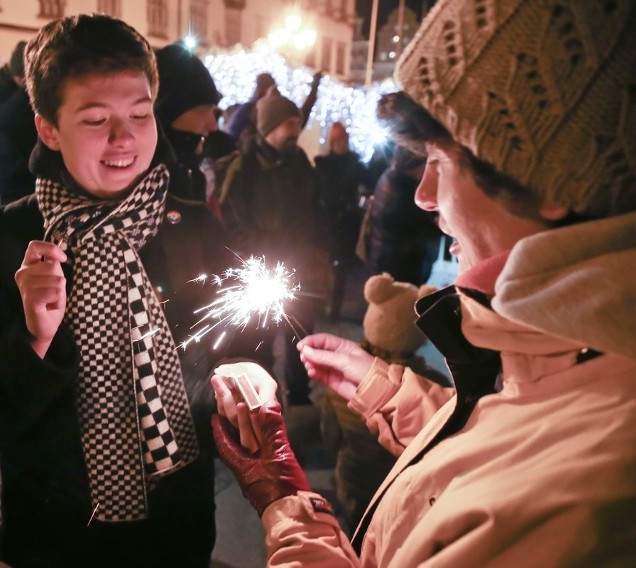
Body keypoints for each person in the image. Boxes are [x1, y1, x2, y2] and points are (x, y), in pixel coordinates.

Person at [211, 0, 636, 565]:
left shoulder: (575, 498)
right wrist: (385, 390)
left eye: (442, 159)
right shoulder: (567, 356)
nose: (423, 194)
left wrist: (284, 496)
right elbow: (496, 438)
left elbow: (511, 479)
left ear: (549, 181)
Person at [0, 14, 271, 567]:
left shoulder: (192, 228)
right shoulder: (3, 240)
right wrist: (32, 342)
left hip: (177, 533)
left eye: (140, 114)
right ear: (48, 128)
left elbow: (235, 353)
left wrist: (242, 385)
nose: (125, 138)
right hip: (56, 540)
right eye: (96, 120)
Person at [218, 88, 325, 406]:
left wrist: (313, 249)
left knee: (300, 338)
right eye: (289, 124)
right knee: (259, 341)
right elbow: (233, 219)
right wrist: (261, 256)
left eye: (297, 123)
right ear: (269, 128)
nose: (296, 131)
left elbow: (313, 211)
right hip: (260, 273)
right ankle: (264, 401)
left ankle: (301, 396)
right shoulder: (244, 167)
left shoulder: (301, 163)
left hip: (299, 270)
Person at [358, 144, 443, 286]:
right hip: (399, 265)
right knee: (398, 303)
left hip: (384, 258)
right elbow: (425, 227)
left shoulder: (389, 176)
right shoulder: (404, 188)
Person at [314, 121, 372, 320]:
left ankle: (335, 310)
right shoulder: (323, 165)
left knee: (340, 268)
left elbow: (370, 180)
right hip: (328, 222)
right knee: (326, 266)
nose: (342, 145)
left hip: (346, 223)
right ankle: (322, 304)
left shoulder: (354, 165)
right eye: (338, 141)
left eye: (344, 141)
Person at [154, 41, 221, 204]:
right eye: (203, 110)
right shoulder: (149, 193)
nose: (214, 125)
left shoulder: (191, 173)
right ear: (167, 111)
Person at [0, 41, 39, 206]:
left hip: (35, 173)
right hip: (10, 179)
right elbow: (0, 119)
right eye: (22, 78)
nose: (24, 81)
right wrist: (26, 91)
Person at [226, 71, 322, 151]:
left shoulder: (296, 158)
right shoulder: (247, 112)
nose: (296, 131)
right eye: (289, 124)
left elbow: (302, 116)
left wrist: (314, 89)